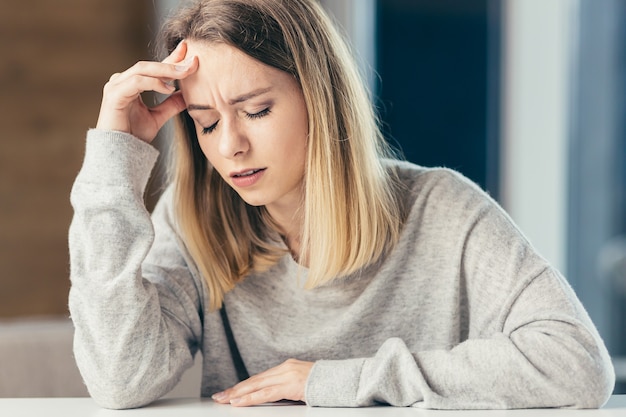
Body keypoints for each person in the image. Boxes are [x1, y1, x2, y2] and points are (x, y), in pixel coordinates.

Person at [68, 0, 615, 410]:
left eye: (256, 110)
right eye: (207, 122)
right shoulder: (196, 225)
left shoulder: (442, 210)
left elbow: (577, 364)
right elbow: (121, 378)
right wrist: (114, 162)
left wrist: (330, 380)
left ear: (320, 98)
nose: (230, 145)